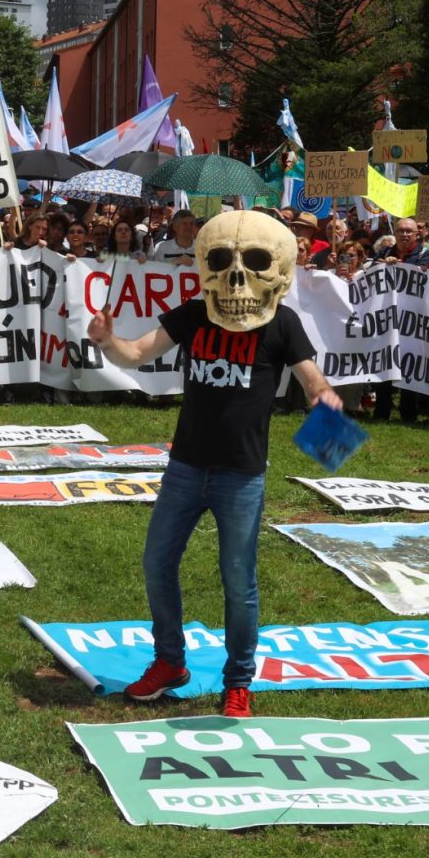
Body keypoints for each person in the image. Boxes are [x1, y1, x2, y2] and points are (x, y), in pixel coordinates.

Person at [86, 209, 340, 718]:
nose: (236, 275)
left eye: (254, 263)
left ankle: (238, 681)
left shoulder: (282, 324)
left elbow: (313, 381)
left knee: (238, 581)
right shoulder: (195, 313)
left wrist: (325, 402)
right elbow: (136, 353)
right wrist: (105, 341)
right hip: (185, 468)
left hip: (241, 475)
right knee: (157, 564)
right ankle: (170, 662)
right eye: (223, 261)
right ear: (206, 266)